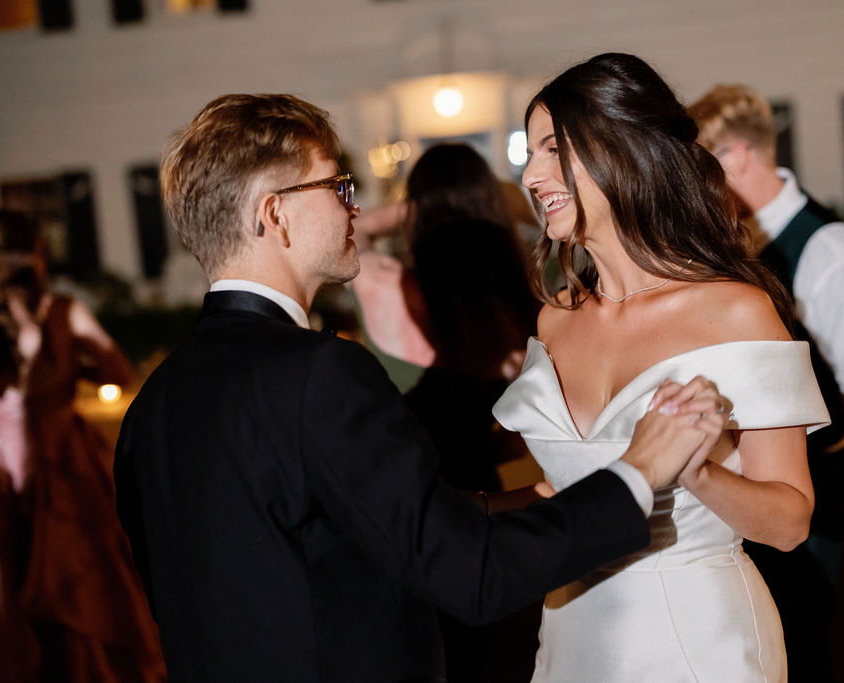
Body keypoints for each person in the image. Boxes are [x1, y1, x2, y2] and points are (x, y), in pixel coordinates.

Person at [112, 93, 731, 683]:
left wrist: (533, 497)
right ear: (274, 214)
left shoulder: (152, 407)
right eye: (337, 185)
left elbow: (321, 533)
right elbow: (472, 575)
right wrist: (638, 470)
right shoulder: (315, 373)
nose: (353, 207)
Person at [492, 53, 830, 682]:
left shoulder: (734, 311)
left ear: (624, 151)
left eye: (552, 149)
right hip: (569, 632)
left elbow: (789, 523)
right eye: (528, 153)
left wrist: (696, 472)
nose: (531, 174)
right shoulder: (555, 320)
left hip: (698, 641)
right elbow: (565, 492)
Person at [688, 84, 844, 681]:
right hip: (750, 490)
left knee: (808, 642)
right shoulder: (730, 248)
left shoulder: (835, 251)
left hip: (818, 483)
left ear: (736, 157)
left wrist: (806, 440)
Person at [350, 142, 543, 682]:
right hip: (486, 506)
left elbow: (355, 233)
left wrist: (426, 204)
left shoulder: (386, 282)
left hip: (403, 502)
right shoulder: (516, 302)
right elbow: (521, 431)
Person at [0, 211, 166, 682]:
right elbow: (118, 374)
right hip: (62, 464)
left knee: (28, 586)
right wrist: (74, 350)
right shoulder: (61, 312)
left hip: (3, 469)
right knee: (88, 579)